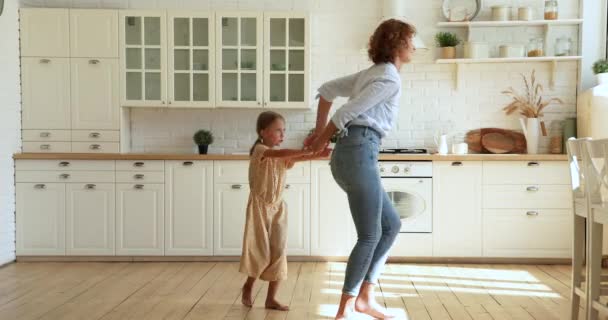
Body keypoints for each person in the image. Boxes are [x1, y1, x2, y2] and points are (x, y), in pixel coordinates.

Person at [305, 19, 417, 319]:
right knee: (369, 235)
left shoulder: (372, 73)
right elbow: (346, 111)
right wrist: (319, 140)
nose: (414, 48)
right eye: (411, 41)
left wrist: (320, 133)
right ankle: (344, 311)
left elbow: (327, 91)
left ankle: (365, 297)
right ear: (398, 45)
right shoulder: (389, 77)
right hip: (358, 151)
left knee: (391, 225)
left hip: (353, 153)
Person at [240, 111, 330, 310]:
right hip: (259, 209)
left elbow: (293, 159)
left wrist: (317, 154)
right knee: (259, 251)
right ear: (262, 132)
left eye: (284, 131)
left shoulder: (281, 156)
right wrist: (308, 150)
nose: (282, 134)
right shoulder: (260, 150)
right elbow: (281, 154)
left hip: (278, 208)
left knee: (279, 252)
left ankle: (271, 298)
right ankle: (248, 286)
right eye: (278, 130)